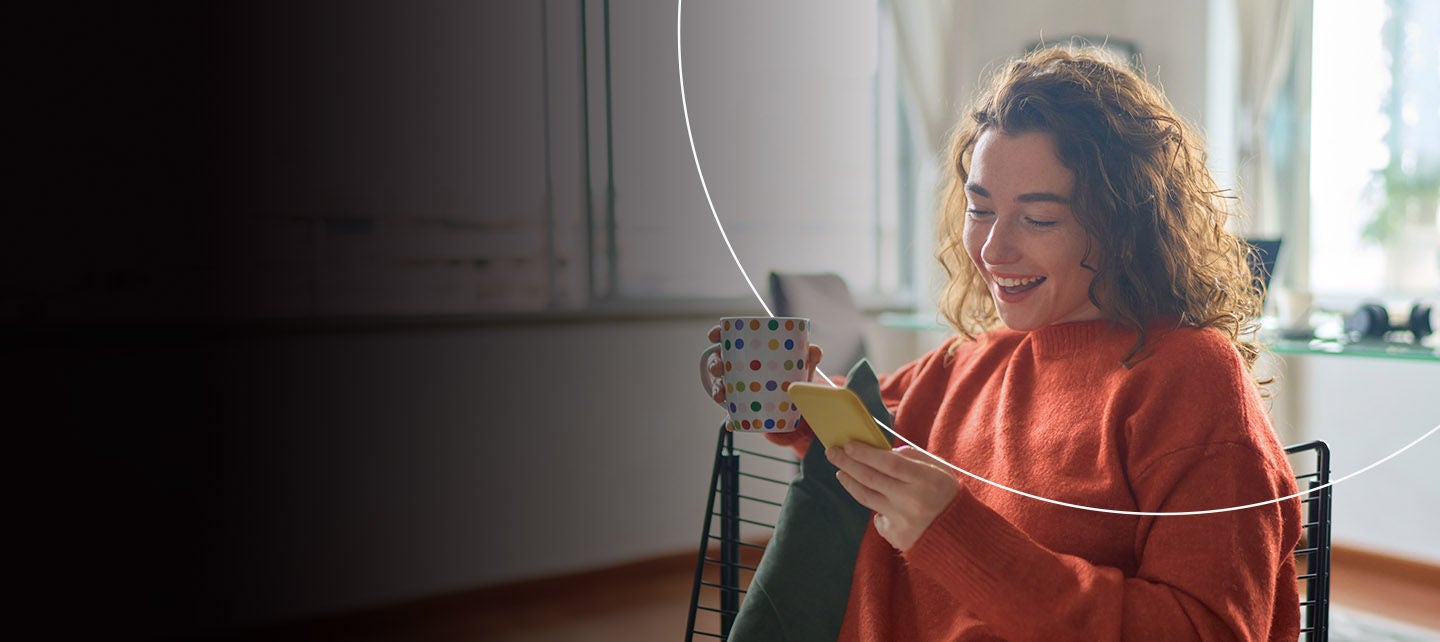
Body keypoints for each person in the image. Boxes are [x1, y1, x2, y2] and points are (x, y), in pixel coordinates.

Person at [701, 46, 1301, 641]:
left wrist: (954, 533)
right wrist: (784, 395)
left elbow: (1206, 631)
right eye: (980, 209)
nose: (992, 250)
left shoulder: (1189, 378)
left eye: (1038, 219)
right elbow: (865, 431)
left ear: (1124, 224)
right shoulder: (971, 360)